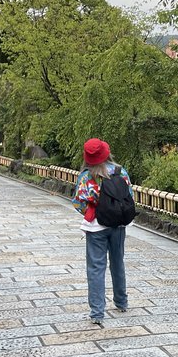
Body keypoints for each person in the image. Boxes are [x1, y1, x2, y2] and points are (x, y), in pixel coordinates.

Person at [71, 138, 132, 325]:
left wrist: (94, 211)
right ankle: (121, 301)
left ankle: (97, 312)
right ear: (107, 153)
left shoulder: (85, 176)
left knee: (96, 268)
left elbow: (77, 202)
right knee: (117, 262)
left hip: (96, 227)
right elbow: (129, 196)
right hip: (118, 225)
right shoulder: (120, 172)